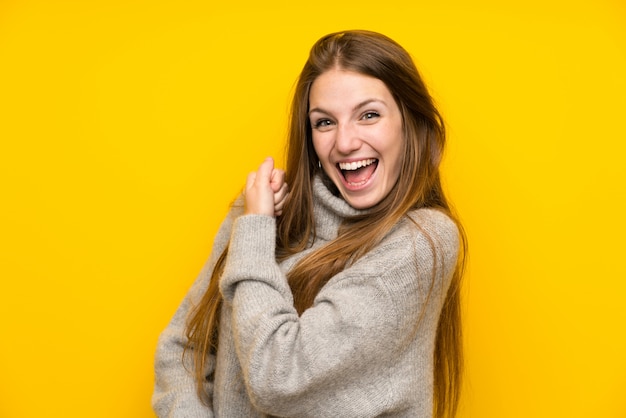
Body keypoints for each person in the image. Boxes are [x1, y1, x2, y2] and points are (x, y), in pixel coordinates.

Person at [152, 30, 467, 418]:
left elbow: (280, 376)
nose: (346, 142)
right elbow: (182, 352)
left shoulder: (422, 241)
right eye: (324, 123)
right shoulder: (260, 214)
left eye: (369, 115)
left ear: (410, 123)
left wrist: (253, 232)